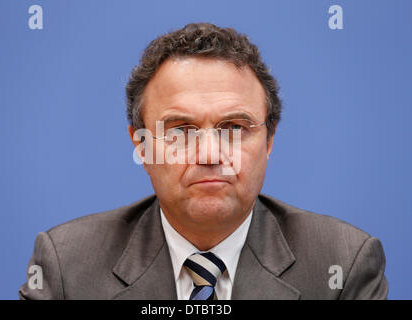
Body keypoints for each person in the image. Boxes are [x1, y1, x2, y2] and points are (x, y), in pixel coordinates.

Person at [19, 22, 388, 300]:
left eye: (234, 127)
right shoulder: (67, 266)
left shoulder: (343, 262)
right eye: (180, 130)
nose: (211, 154)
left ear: (270, 139)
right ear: (143, 146)